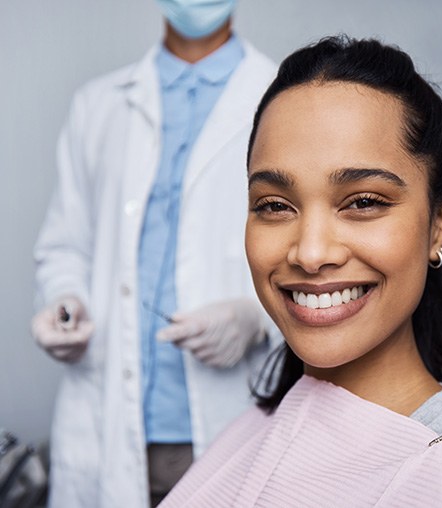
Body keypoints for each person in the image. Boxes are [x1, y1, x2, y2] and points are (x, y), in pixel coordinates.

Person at [160, 35, 442, 507]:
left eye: (364, 202)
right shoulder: (251, 430)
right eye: (275, 205)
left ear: (438, 222)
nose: (311, 252)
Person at [30, 1, 279, 506]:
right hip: (104, 422)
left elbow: (311, 248)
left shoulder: (281, 99)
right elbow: (65, 245)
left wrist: (258, 319)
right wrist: (65, 300)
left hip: (223, 423)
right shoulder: (98, 105)